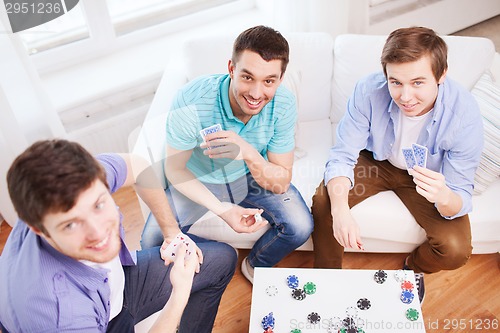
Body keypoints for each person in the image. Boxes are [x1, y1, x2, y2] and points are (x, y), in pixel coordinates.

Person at [311, 27, 483, 303]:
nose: (405, 97)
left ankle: (412, 270)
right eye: (395, 82)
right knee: (325, 202)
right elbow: (343, 154)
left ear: (441, 75)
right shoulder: (368, 90)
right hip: (376, 160)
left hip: (428, 176)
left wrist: (444, 196)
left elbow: (460, 193)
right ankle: (328, 277)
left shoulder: (464, 115)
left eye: (417, 83)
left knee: (455, 249)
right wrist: (340, 210)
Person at [0, 139, 237, 333]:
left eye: (99, 205)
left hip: (116, 288)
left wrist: (171, 230)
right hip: (100, 320)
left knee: (222, 260)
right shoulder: (63, 316)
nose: (99, 232)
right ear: (38, 229)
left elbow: (137, 166)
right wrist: (180, 294)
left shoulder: (74, 183)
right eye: (71, 225)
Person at [140, 25, 313, 283]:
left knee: (301, 226)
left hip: (250, 175)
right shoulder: (192, 100)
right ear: (231, 69)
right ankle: (217, 259)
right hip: (199, 177)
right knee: (151, 242)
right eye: (247, 77)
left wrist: (249, 154)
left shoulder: (284, 104)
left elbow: (280, 182)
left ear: (280, 78)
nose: (256, 93)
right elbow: (174, 169)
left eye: (268, 81)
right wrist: (222, 209)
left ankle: (255, 264)